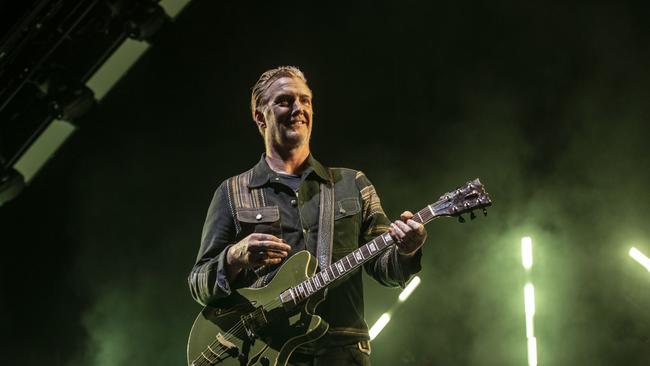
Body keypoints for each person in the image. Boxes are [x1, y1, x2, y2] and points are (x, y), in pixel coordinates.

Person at [188, 66, 427, 366]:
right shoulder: (232, 192)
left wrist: (407, 250)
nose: (298, 108)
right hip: (267, 355)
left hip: (343, 353)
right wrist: (235, 257)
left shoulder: (352, 184)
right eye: (285, 101)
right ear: (260, 117)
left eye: (305, 100)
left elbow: (386, 269)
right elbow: (199, 283)